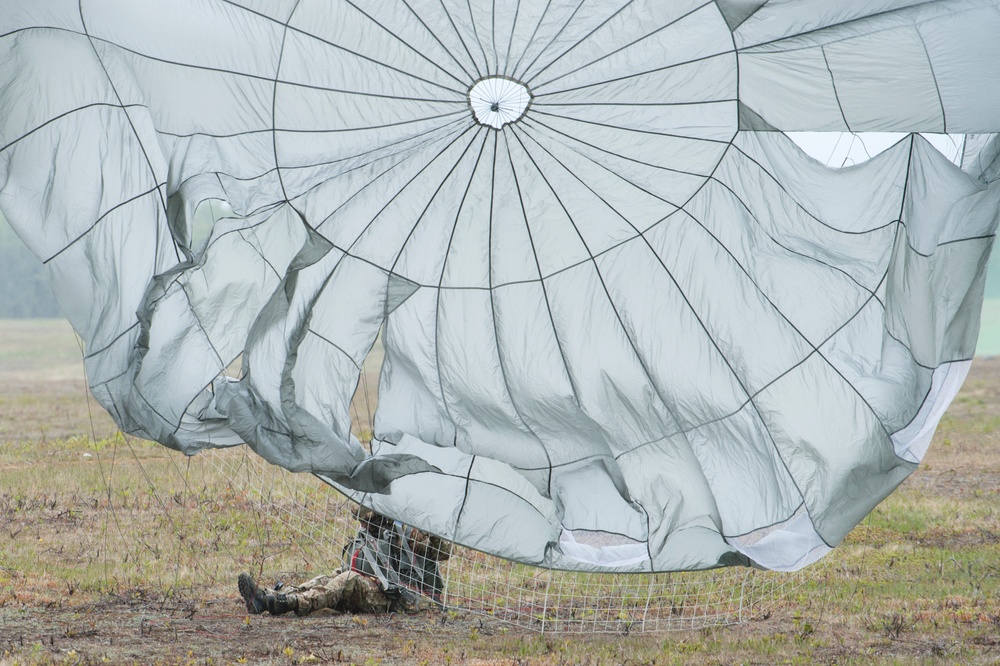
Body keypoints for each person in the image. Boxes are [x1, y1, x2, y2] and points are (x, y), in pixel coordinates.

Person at [237, 506, 451, 616]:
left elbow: (444, 552)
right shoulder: (378, 531)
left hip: (400, 601)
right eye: (363, 522)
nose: (364, 526)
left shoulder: (412, 533)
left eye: (368, 522)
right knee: (331, 577)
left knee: (347, 580)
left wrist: (430, 534)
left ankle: (289, 604)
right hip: (374, 588)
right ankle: (269, 598)